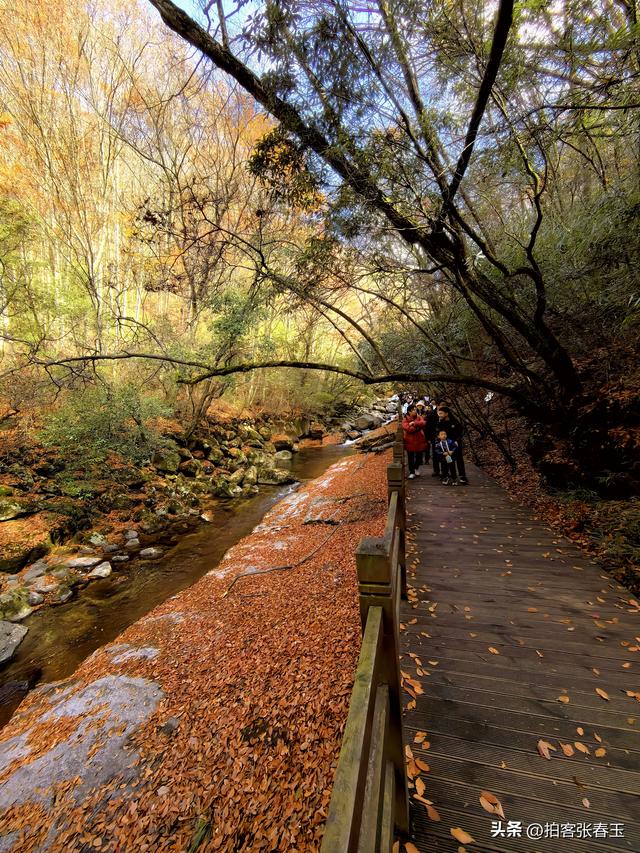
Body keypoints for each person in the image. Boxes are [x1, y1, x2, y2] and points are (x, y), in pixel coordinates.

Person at [436, 406, 468, 484]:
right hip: (446, 444)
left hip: (455, 443)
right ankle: (447, 476)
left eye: (441, 413)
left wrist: (457, 440)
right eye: (439, 413)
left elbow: (460, 431)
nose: (439, 415)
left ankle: (462, 476)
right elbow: (438, 433)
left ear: (446, 413)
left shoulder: (454, 421)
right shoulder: (440, 423)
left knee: (459, 459)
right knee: (448, 459)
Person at [402, 404, 427, 479]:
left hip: (419, 440)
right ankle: (412, 472)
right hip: (410, 441)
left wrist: (414, 423)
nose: (415, 411)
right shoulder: (405, 419)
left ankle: (416, 467)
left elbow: (424, 423)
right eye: (414, 410)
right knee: (411, 457)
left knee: (419, 456)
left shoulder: (419, 417)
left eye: (415, 409)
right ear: (409, 411)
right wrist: (418, 428)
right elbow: (408, 429)